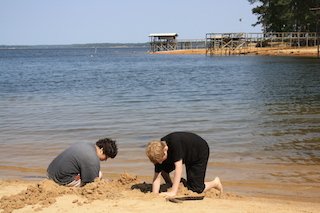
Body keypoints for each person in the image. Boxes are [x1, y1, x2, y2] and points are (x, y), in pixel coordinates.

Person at [146, 132, 223, 197]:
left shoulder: (174, 143)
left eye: (161, 160)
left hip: (198, 152)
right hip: (184, 152)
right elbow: (157, 176)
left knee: (196, 190)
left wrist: (173, 192)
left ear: (165, 149)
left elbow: (178, 169)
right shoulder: (158, 152)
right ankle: (169, 183)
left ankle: (215, 183)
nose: (160, 163)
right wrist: (155, 194)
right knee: (161, 168)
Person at [47, 138, 118, 187]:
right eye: (106, 157)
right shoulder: (92, 158)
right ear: (102, 150)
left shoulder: (86, 144)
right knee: (99, 175)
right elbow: (91, 182)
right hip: (60, 180)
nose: (105, 160)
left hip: (50, 173)